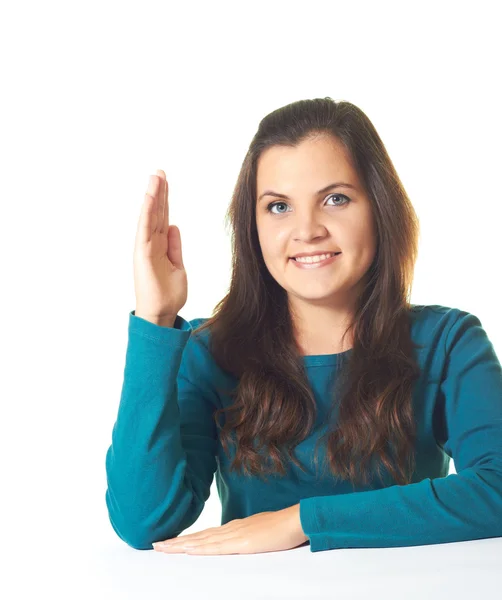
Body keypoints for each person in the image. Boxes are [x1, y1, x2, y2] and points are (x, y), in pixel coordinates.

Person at [105, 97, 502, 553]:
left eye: (335, 199)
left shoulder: (447, 342)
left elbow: (497, 487)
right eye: (278, 207)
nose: (308, 229)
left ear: (378, 207)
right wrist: (155, 322)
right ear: (252, 227)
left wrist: (304, 521)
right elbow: (143, 522)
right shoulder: (209, 351)